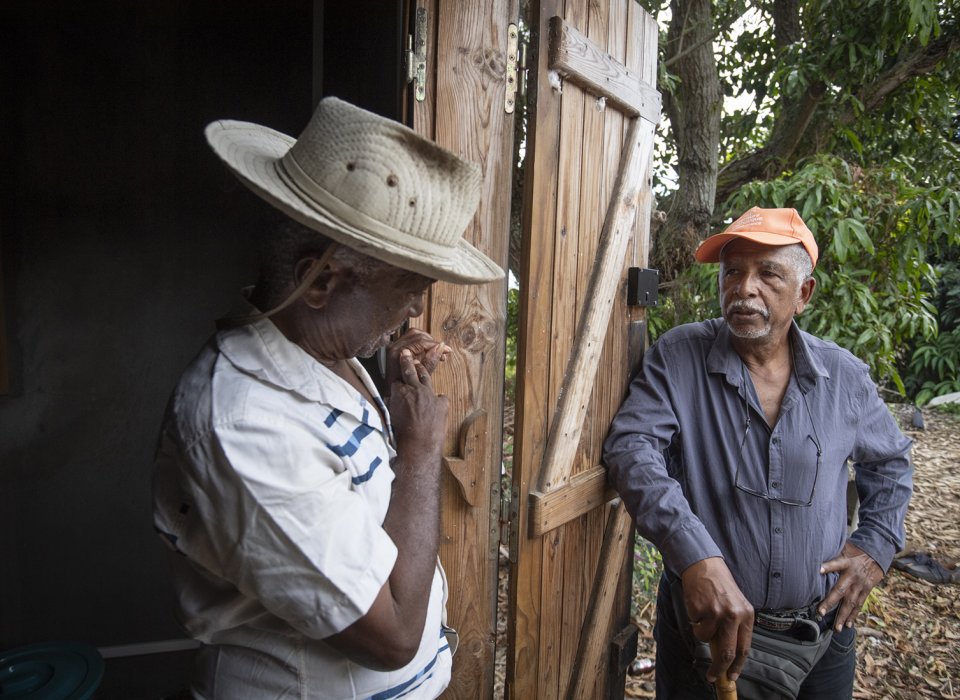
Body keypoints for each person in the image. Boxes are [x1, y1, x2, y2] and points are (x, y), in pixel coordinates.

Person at [152, 97, 504, 699]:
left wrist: (393, 405)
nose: (417, 309)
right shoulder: (242, 422)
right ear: (322, 282)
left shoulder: (323, 356)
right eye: (408, 289)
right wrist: (419, 451)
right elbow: (393, 632)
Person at [603, 207, 913, 699]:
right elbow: (632, 447)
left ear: (804, 294)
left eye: (768, 273)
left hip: (822, 637)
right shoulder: (682, 355)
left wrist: (876, 546)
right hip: (706, 634)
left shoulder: (844, 377)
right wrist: (695, 557)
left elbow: (890, 464)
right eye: (733, 272)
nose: (745, 287)